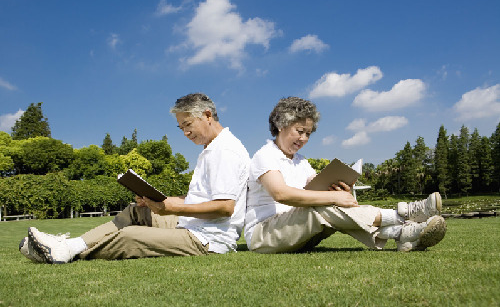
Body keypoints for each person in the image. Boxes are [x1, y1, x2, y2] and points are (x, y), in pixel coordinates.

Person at [20, 93, 250, 264]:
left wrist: (171, 208)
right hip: (193, 225)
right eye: (180, 127)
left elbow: (224, 207)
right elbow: (201, 196)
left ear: (207, 115)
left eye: (188, 125)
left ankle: (63, 252)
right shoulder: (212, 149)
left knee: (129, 236)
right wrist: (160, 200)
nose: (185, 133)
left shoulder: (225, 151)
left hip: (209, 240)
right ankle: (69, 246)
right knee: (137, 211)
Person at [244, 96, 446, 254]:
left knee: (326, 203)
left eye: (308, 133)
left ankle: (403, 233)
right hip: (264, 235)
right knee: (322, 206)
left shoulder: (301, 161)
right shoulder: (265, 155)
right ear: (281, 125)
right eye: (300, 131)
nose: (304, 138)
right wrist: (333, 197)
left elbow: (316, 188)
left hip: (298, 229)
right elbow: (281, 194)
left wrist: (339, 188)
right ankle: (404, 216)